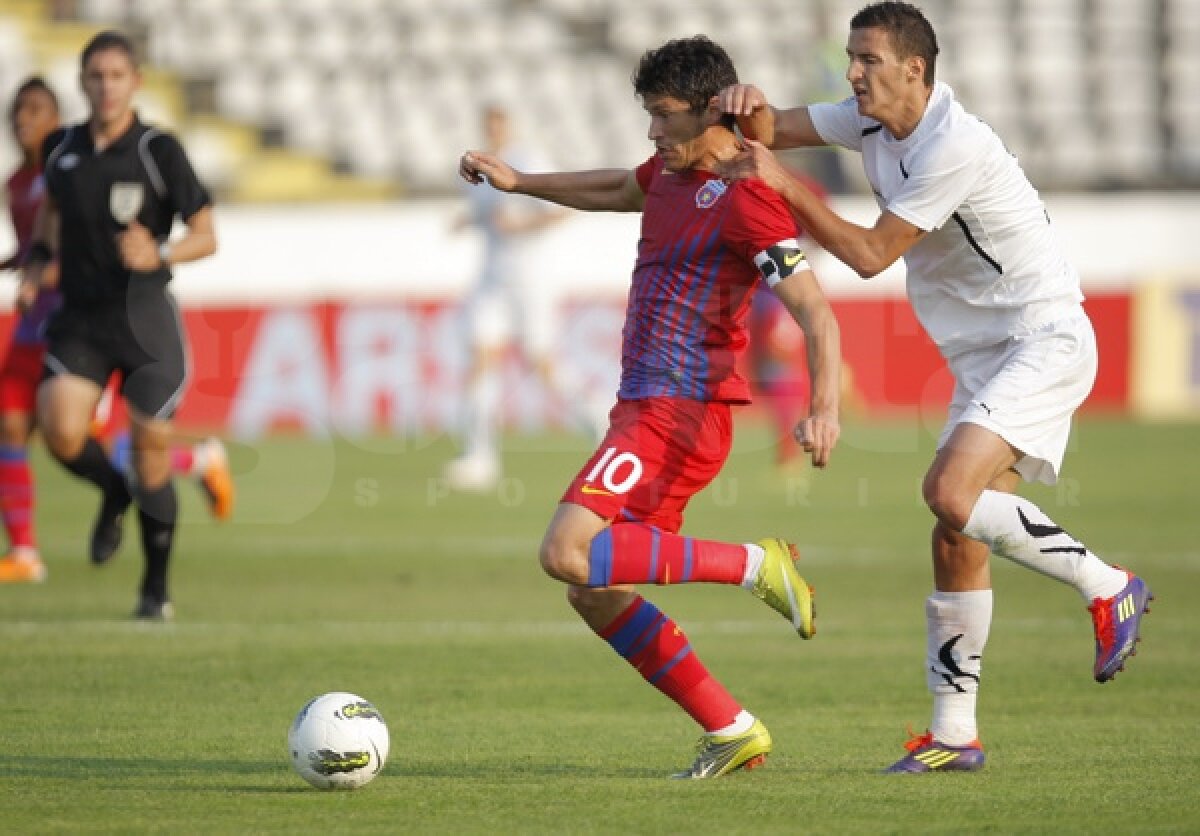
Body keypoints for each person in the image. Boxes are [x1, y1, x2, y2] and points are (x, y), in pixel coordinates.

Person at [716, 0, 1152, 772]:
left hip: (1040, 338)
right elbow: (773, 128)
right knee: (957, 534)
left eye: (868, 60)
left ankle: (1107, 582)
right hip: (984, 355)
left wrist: (780, 179)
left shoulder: (955, 143)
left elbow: (871, 254)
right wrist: (747, 106)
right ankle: (955, 736)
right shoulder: (875, 120)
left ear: (914, 69)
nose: (852, 73)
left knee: (950, 493)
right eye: (852, 58)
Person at [459, 35, 842, 778]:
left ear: (710, 112)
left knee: (564, 551)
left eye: (664, 116)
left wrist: (823, 405)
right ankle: (731, 729)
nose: (652, 131)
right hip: (644, 406)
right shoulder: (668, 174)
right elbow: (614, 189)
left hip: (680, 411)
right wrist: (520, 181)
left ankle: (754, 564)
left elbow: (818, 313)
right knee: (593, 590)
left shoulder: (748, 198)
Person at [0, 77, 232, 586]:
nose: (24, 122)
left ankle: (192, 461)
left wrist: (53, 272)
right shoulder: (21, 181)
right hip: (43, 323)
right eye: (18, 112)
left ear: (56, 117)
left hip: (90, 315)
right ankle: (24, 548)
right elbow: (39, 243)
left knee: (106, 438)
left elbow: (89, 252)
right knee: (19, 425)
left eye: (35, 111)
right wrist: (23, 264)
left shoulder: (84, 164)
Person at [444, 104, 593, 492]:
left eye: (498, 123)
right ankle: (479, 457)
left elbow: (562, 211)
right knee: (480, 357)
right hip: (492, 278)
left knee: (541, 363)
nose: (492, 130)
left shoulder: (528, 160)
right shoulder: (478, 164)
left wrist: (521, 225)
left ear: (509, 125)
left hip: (531, 279)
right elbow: (486, 213)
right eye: (487, 123)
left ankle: (600, 423)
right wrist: (467, 221)